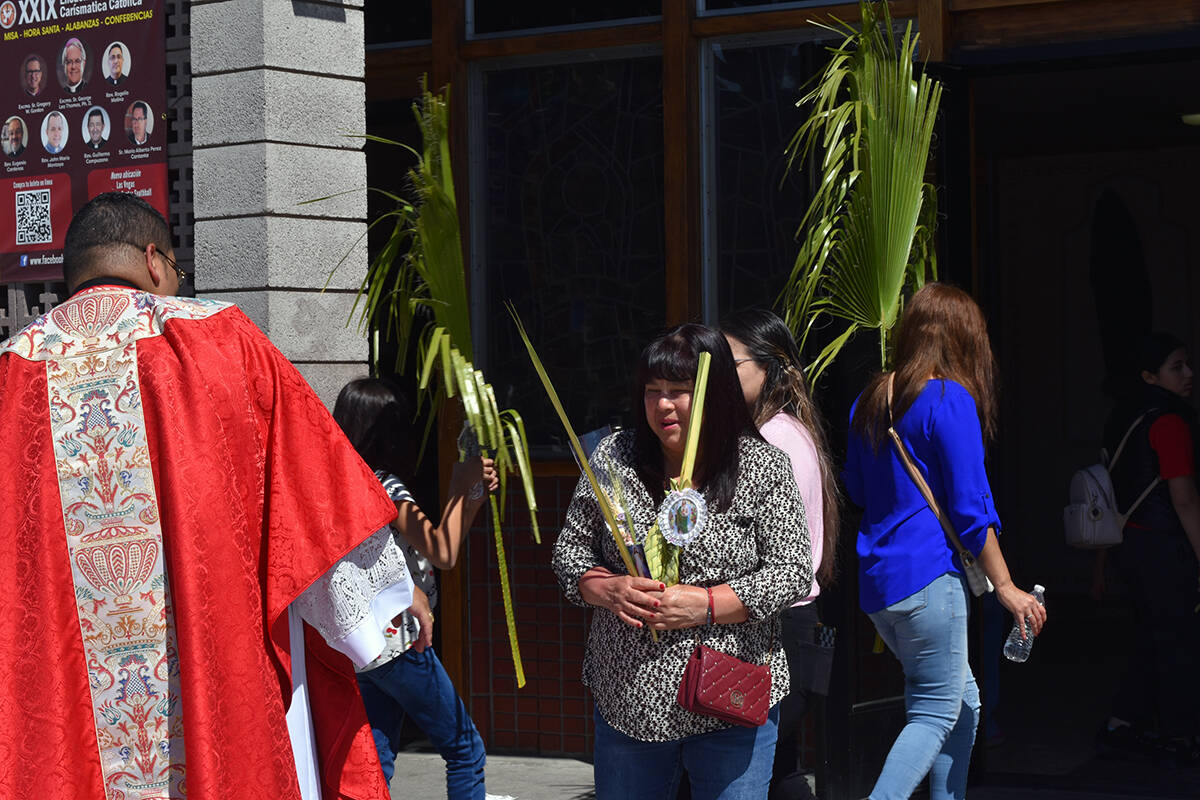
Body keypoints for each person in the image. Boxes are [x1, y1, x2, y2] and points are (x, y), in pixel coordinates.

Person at [0, 192, 405, 799]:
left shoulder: (12, 371)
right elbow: (311, 492)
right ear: (155, 261)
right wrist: (376, 616)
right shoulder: (219, 338)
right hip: (219, 684)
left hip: (60, 715)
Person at [552, 323, 812, 800]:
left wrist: (708, 603)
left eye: (679, 392)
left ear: (714, 395)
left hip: (728, 694)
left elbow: (792, 572)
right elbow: (570, 553)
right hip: (630, 696)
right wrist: (606, 588)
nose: (663, 405)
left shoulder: (762, 466)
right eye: (653, 391)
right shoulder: (614, 457)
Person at [842, 283, 1045, 800]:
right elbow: (971, 508)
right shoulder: (949, 398)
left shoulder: (871, 398)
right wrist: (1007, 585)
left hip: (881, 584)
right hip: (931, 578)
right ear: (965, 340)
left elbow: (858, 490)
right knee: (934, 712)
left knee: (964, 704)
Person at [333, 378, 497, 797]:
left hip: (361, 643)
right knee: (465, 750)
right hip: (401, 640)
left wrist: (471, 497)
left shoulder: (338, 483)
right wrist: (462, 485)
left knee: (378, 760)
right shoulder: (385, 487)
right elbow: (442, 551)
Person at [722, 309, 839, 800]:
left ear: (768, 368)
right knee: (777, 765)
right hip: (789, 620)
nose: (717, 377)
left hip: (776, 622)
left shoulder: (773, 439)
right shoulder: (789, 430)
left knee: (746, 763)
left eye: (731, 365)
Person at [1100, 332, 1200, 760]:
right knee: (1175, 642)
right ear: (1149, 376)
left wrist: (1100, 569)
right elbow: (1185, 498)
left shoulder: (1123, 418)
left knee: (1150, 637)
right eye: (1176, 367)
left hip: (1131, 548)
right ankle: (1178, 734)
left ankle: (1124, 721)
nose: (1189, 374)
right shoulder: (1169, 422)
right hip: (1164, 549)